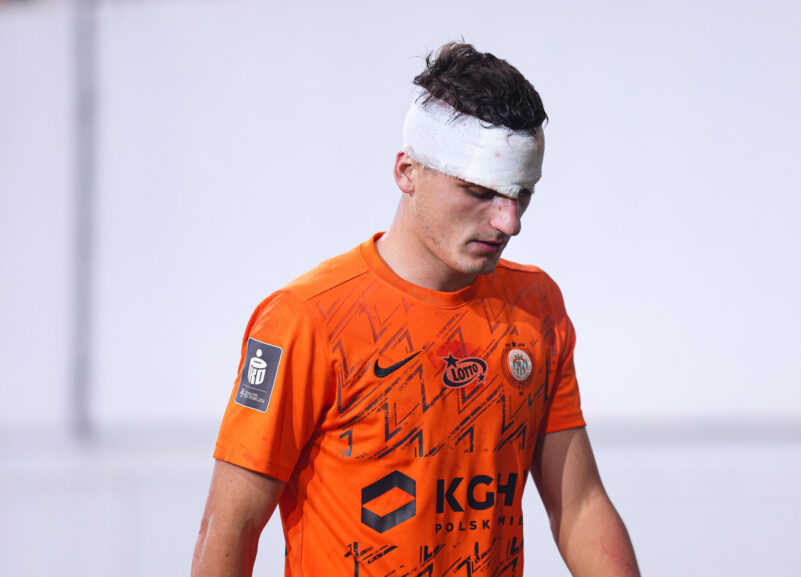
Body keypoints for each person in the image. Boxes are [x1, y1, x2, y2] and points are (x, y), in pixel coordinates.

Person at [191, 42, 641, 577]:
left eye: (522, 193)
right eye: (479, 191)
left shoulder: (535, 306)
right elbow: (231, 524)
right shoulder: (304, 319)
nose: (510, 222)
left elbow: (580, 506)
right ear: (407, 172)